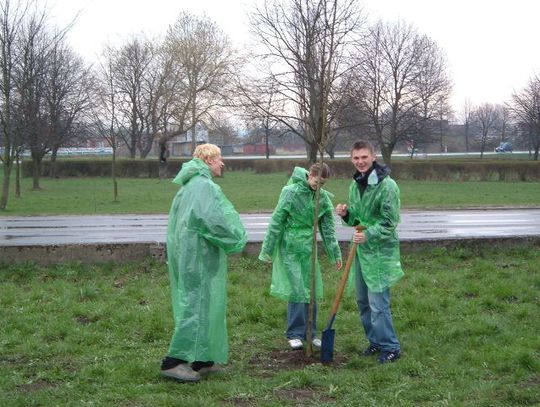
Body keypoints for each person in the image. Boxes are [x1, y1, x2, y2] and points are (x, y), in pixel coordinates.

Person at [161, 143, 247, 382]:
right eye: (219, 159)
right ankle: (174, 361)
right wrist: (235, 239)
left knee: (202, 303)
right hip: (197, 257)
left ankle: (202, 359)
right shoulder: (203, 186)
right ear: (209, 160)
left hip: (191, 254)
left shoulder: (190, 186)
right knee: (195, 303)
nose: (222, 163)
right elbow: (212, 221)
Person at [259, 164, 342, 350]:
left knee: (311, 289)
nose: (318, 187)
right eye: (316, 182)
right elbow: (277, 221)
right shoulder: (290, 192)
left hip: (309, 249)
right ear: (310, 175)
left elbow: (328, 229)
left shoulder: (322, 198)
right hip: (290, 248)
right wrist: (268, 250)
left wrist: (335, 254)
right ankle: (295, 333)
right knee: (297, 288)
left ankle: (311, 332)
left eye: (323, 184)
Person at [335, 140, 404, 364]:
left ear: (373, 157)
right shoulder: (355, 185)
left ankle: (391, 347)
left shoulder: (387, 186)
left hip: (380, 251)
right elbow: (357, 219)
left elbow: (389, 222)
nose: (360, 162)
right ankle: (375, 342)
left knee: (378, 303)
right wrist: (346, 214)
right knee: (363, 301)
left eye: (364, 157)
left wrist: (369, 235)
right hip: (361, 251)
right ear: (351, 159)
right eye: (356, 158)